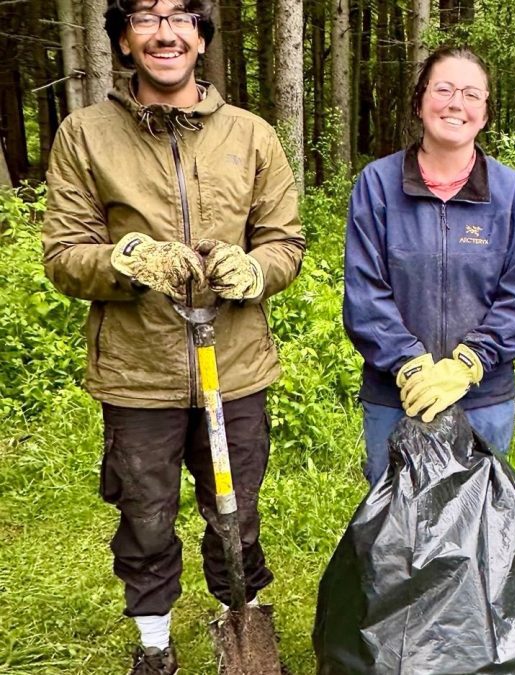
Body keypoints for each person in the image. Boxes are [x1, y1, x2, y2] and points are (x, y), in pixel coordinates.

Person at [41, 1, 305, 672]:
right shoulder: (85, 135)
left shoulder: (251, 135)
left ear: (201, 37)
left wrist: (256, 270)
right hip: (138, 372)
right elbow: (64, 254)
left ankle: (242, 617)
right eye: (146, 18)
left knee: (236, 510)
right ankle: (155, 644)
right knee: (146, 513)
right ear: (123, 41)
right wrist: (122, 260)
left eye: (182, 16)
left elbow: (284, 242)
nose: (165, 33)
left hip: (235, 366)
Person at [343, 47, 515, 484]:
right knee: (395, 520)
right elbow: (365, 293)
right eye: (444, 90)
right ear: (419, 101)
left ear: (485, 113)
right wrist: (411, 365)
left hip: (483, 399)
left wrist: (468, 364)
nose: (456, 104)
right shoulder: (377, 185)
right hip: (396, 398)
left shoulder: (512, 193)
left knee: (479, 517)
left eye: (471, 94)